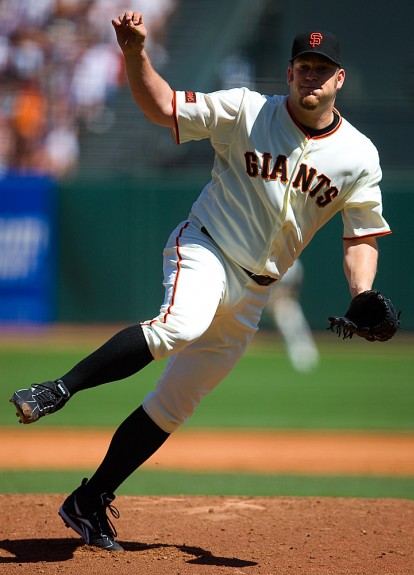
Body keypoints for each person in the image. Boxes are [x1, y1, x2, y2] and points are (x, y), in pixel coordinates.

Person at [10, 13, 391, 551]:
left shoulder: (358, 156)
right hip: (206, 246)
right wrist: (135, 54)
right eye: (304, 66)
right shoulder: (244, 109)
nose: (312, 76)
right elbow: (161, 105)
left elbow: (361, 237)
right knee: (177, 325)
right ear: (288, 73)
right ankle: (58, 389)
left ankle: (88, 500)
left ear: (339, 79)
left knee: (175, 404)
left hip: (256, 291)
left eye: (322, 69)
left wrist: (363, 295)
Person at [266, 259, 319, 372]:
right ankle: (303, 352)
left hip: (285, 303)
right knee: (293, 324)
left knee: (292, 324)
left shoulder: (291, 263)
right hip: (284, 302)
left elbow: (289, 289)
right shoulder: (283, 259)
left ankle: (303, 354)